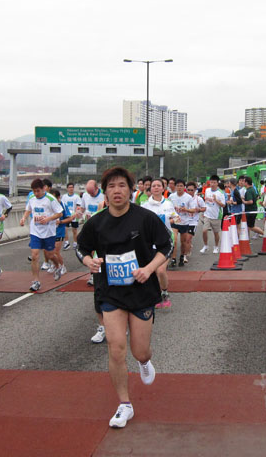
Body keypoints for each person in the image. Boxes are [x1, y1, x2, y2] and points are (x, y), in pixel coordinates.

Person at [76, 167, 172, 429]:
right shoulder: (96, 222)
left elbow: (167, 245)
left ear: (131, 190)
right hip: (110, 291)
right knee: (115, 347)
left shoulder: (146, 218)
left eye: (122, 186)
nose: (117, 190)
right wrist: (89, 261)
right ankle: (124, 404)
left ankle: (144, 361)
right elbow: (80, 247)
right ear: (104, 192)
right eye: (111, 186)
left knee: (139, 350)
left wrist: (149, 269)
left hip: (141, 291)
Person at [20, 178, 67, 292]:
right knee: (35, 255)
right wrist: (24, 218)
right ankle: (36, 281)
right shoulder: (31, 198)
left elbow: (60, 213)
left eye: (38, 191)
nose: (36, 193)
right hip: (35, 231)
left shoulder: (50, 199)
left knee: (50, 255)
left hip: (49, 232)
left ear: (43, 189)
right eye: (34, 191)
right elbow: (28, 209)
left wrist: (48, 219)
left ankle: (57, 266)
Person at [142, 179, 179, 308]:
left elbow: (175, 216)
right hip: (150, 243)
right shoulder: (145, 206)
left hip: (165, 241)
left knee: (161, 270)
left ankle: (164, 292)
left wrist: (175, 218)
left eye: (159, 186)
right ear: (150, 189)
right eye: (154, 186)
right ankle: (155, 295)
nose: (156, 188)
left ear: (163, 189)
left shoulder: (168, 204)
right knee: (152, 271)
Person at [169, 179, 192, 267]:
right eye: (177, 186)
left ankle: (182, 256)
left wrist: (186, 209)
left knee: (183, 242)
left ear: (184, 187)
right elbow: (168, 207)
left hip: (184, 222)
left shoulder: (188, 197)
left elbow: (193, 209)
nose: (179, 187)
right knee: (174, 240)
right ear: (175, 187)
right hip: (175, 221)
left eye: (181, 186)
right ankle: (173, 259)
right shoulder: (171, 196)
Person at [199, 175, 225, 254]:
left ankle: (216, 247)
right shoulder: (207, 190)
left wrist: (216, 200)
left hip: (216, 216)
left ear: (217, 183)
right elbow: (206, 201)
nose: (212, 184)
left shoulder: (220, 193)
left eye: (214, 182)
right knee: (204, 231)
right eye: (211, 182)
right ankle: (206, 245)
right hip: (207, 215)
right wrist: (204, 211)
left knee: (216, 233)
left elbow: (223, 205)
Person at [185, 181, 204, 260]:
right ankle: (185, 252)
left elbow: (204, 208)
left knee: (188, 238)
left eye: (191, 190)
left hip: (193, 221)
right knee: (185, 239)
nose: (189, 192)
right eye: (188, 190)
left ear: (195, 190)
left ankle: (185, 255)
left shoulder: (198, 199)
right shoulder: (183, 198)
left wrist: (198, 209)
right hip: (184, 221)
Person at [61, 182, 82, 251]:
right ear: (67, 188)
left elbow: (78, 206)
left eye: (72, 187)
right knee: (65, 229)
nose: (71, 189)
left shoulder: (76, 197)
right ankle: (66, 242)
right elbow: (62, 206)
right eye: (69, 187)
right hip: (67, 215)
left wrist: (75, 214)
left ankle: (75, 243)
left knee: (74, 230)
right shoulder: (64, 197)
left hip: (74, 215)